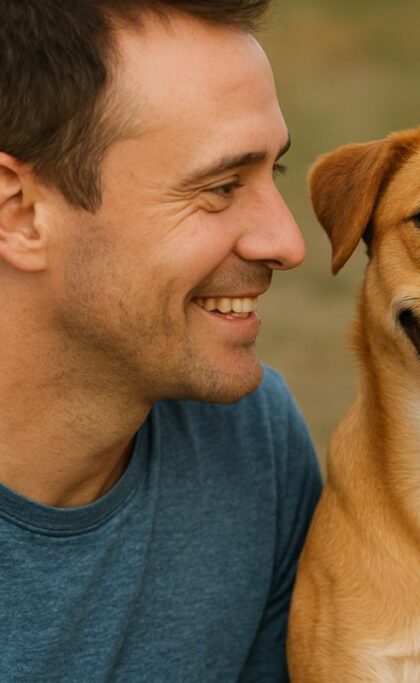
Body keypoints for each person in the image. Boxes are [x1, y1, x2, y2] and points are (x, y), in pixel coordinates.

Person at [0, 1, 322, 680]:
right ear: (21, 214)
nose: (288, 243)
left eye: (275, 174)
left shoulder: (250, 442)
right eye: (221, 186)